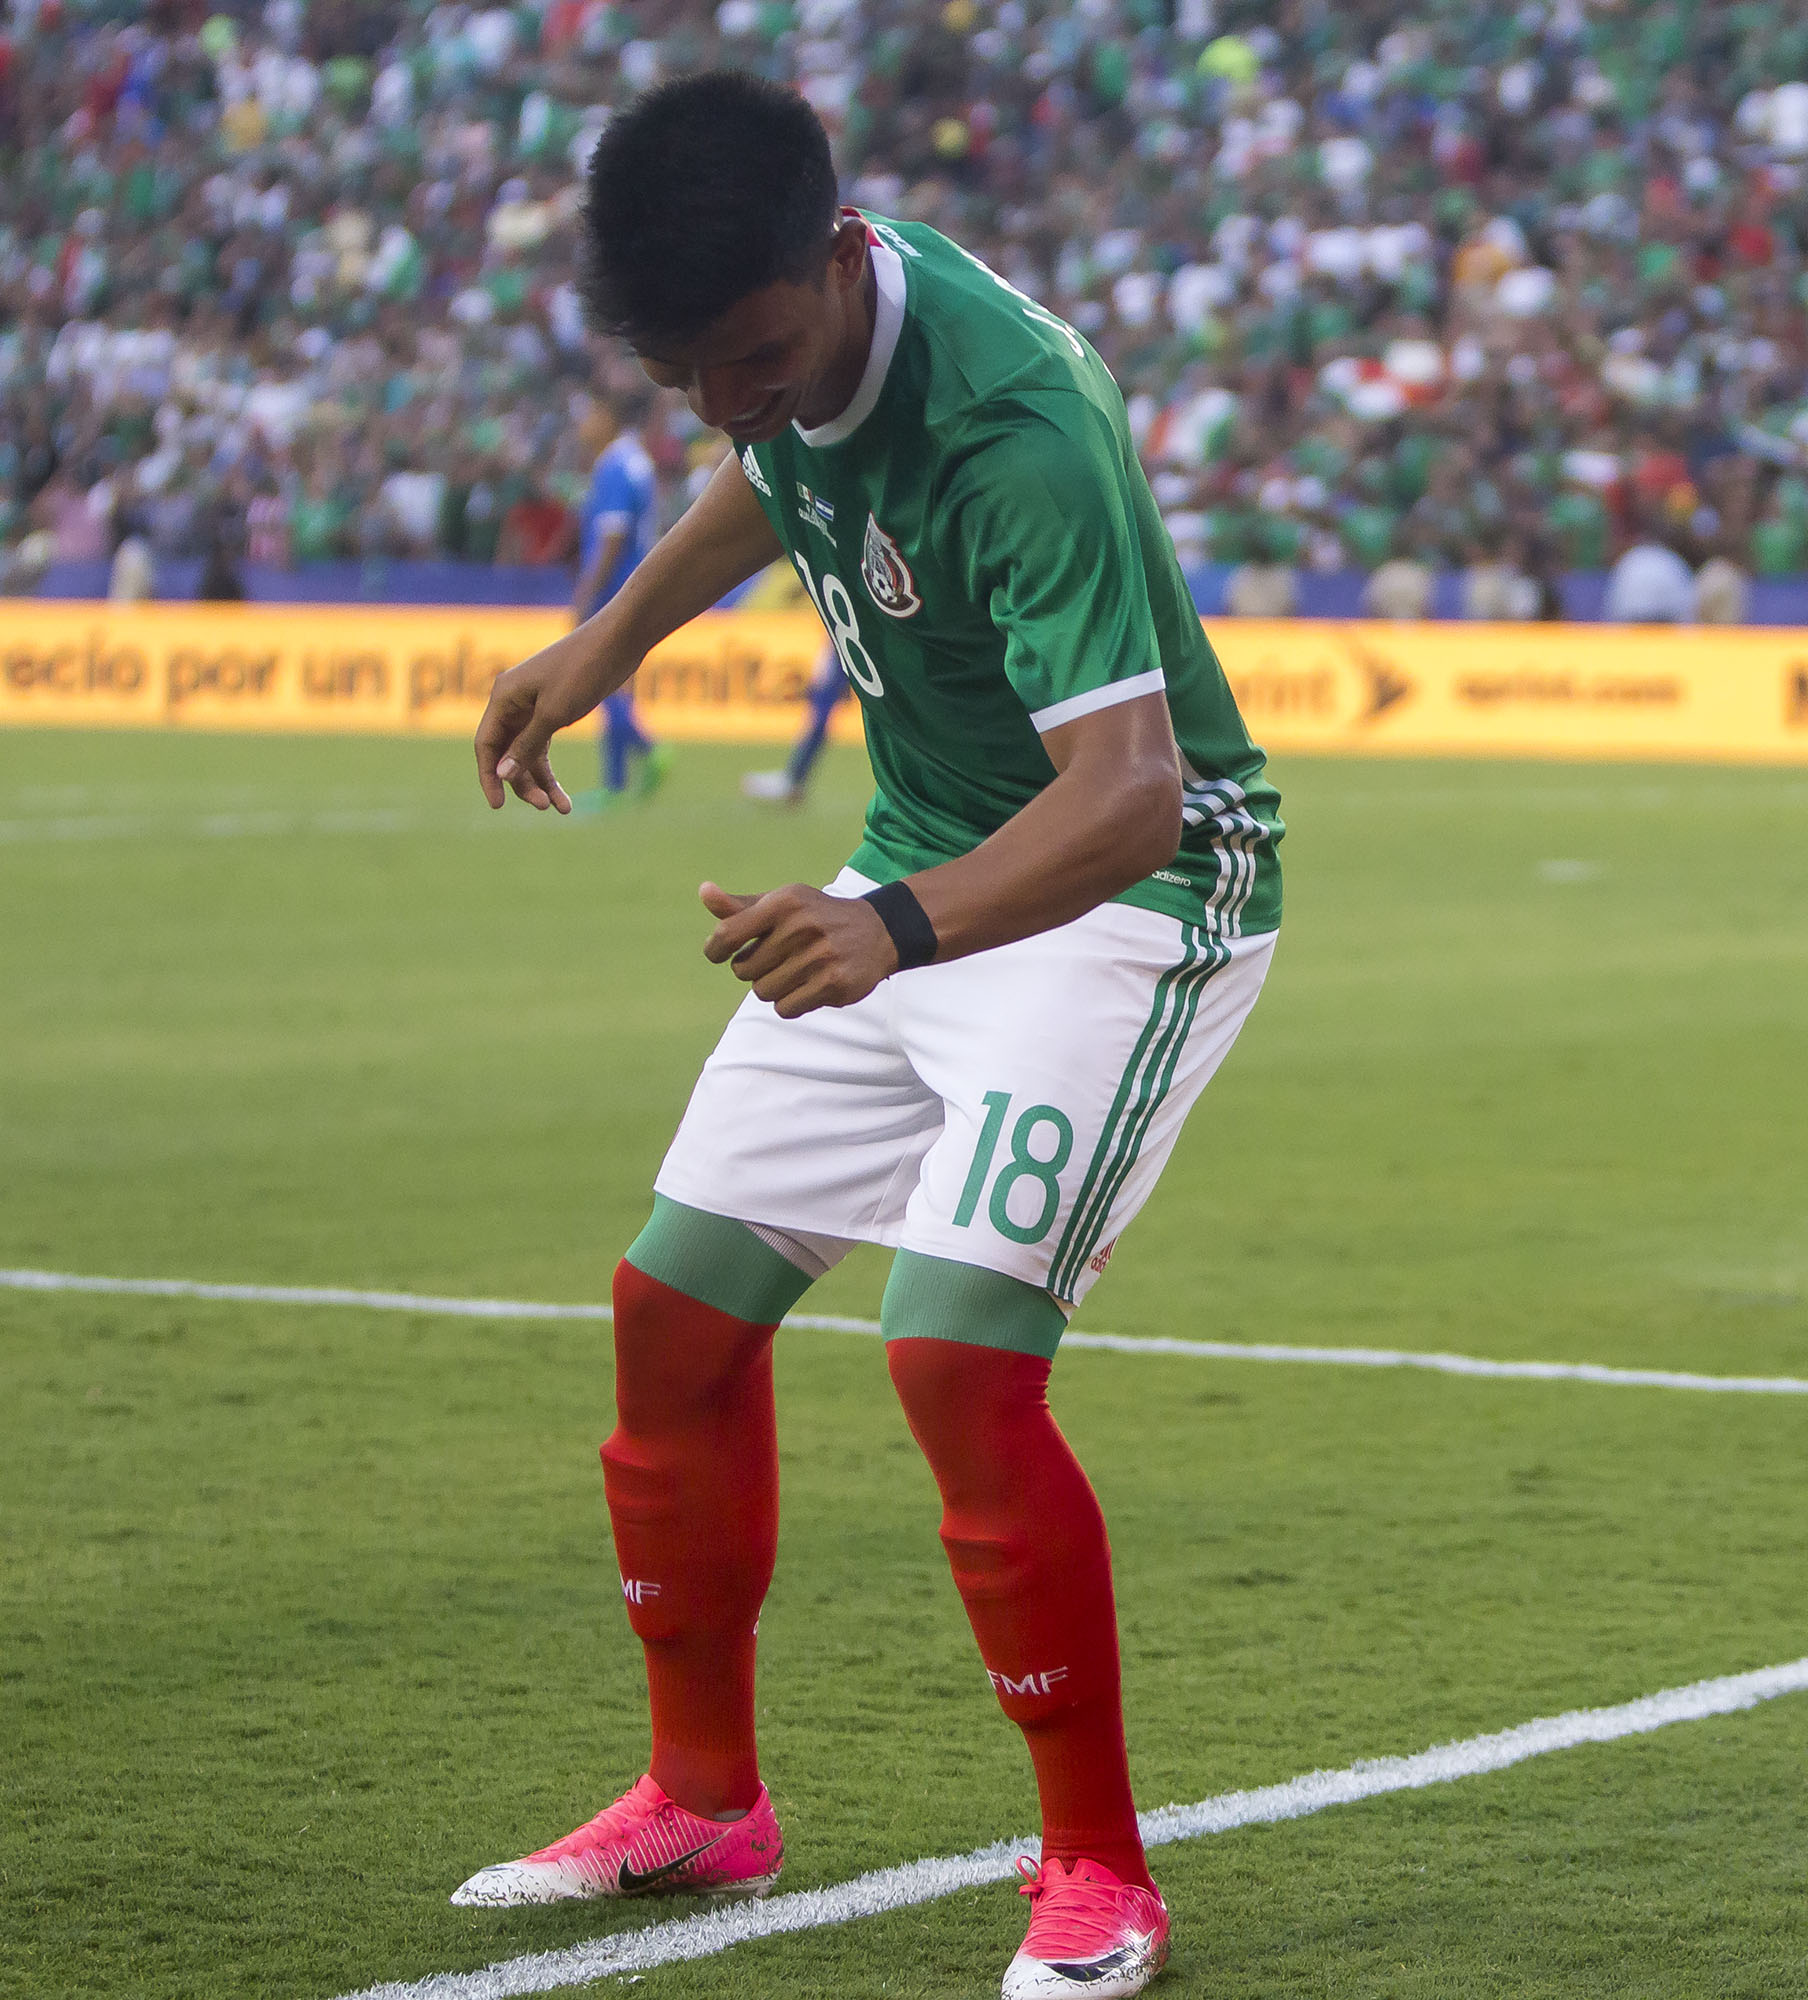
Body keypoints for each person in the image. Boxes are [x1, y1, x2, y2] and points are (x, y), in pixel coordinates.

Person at [458, 73, 1284, 2000]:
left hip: (1129, 903)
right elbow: (775, 467)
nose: (727, 404)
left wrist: (885, 928)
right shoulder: (791, 342)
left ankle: (1098, 1875)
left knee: (956, 1358)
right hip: (916, 872)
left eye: (753, 357)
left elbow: (1136, 795)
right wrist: (606, 644)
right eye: (688, 380)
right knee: (669, 1318)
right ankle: (699, 1800)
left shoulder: (1014, 421)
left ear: (842, 262)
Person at [572, 393, 680, 804]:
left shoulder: (615, 466)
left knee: (601, 683)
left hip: (615, 590)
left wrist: (588, 592)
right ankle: (614, 784)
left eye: (589, 415)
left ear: (608, 417)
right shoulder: (637, 462)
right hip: (634, 587)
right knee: (613, 684)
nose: (582, 426)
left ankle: (648, 750)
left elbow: (613, 538)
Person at [741, 644, 853, 803]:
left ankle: (793, 779)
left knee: (822, 704)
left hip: (857, 636)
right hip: (851, 637)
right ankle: (794, 778)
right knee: (821, 705)